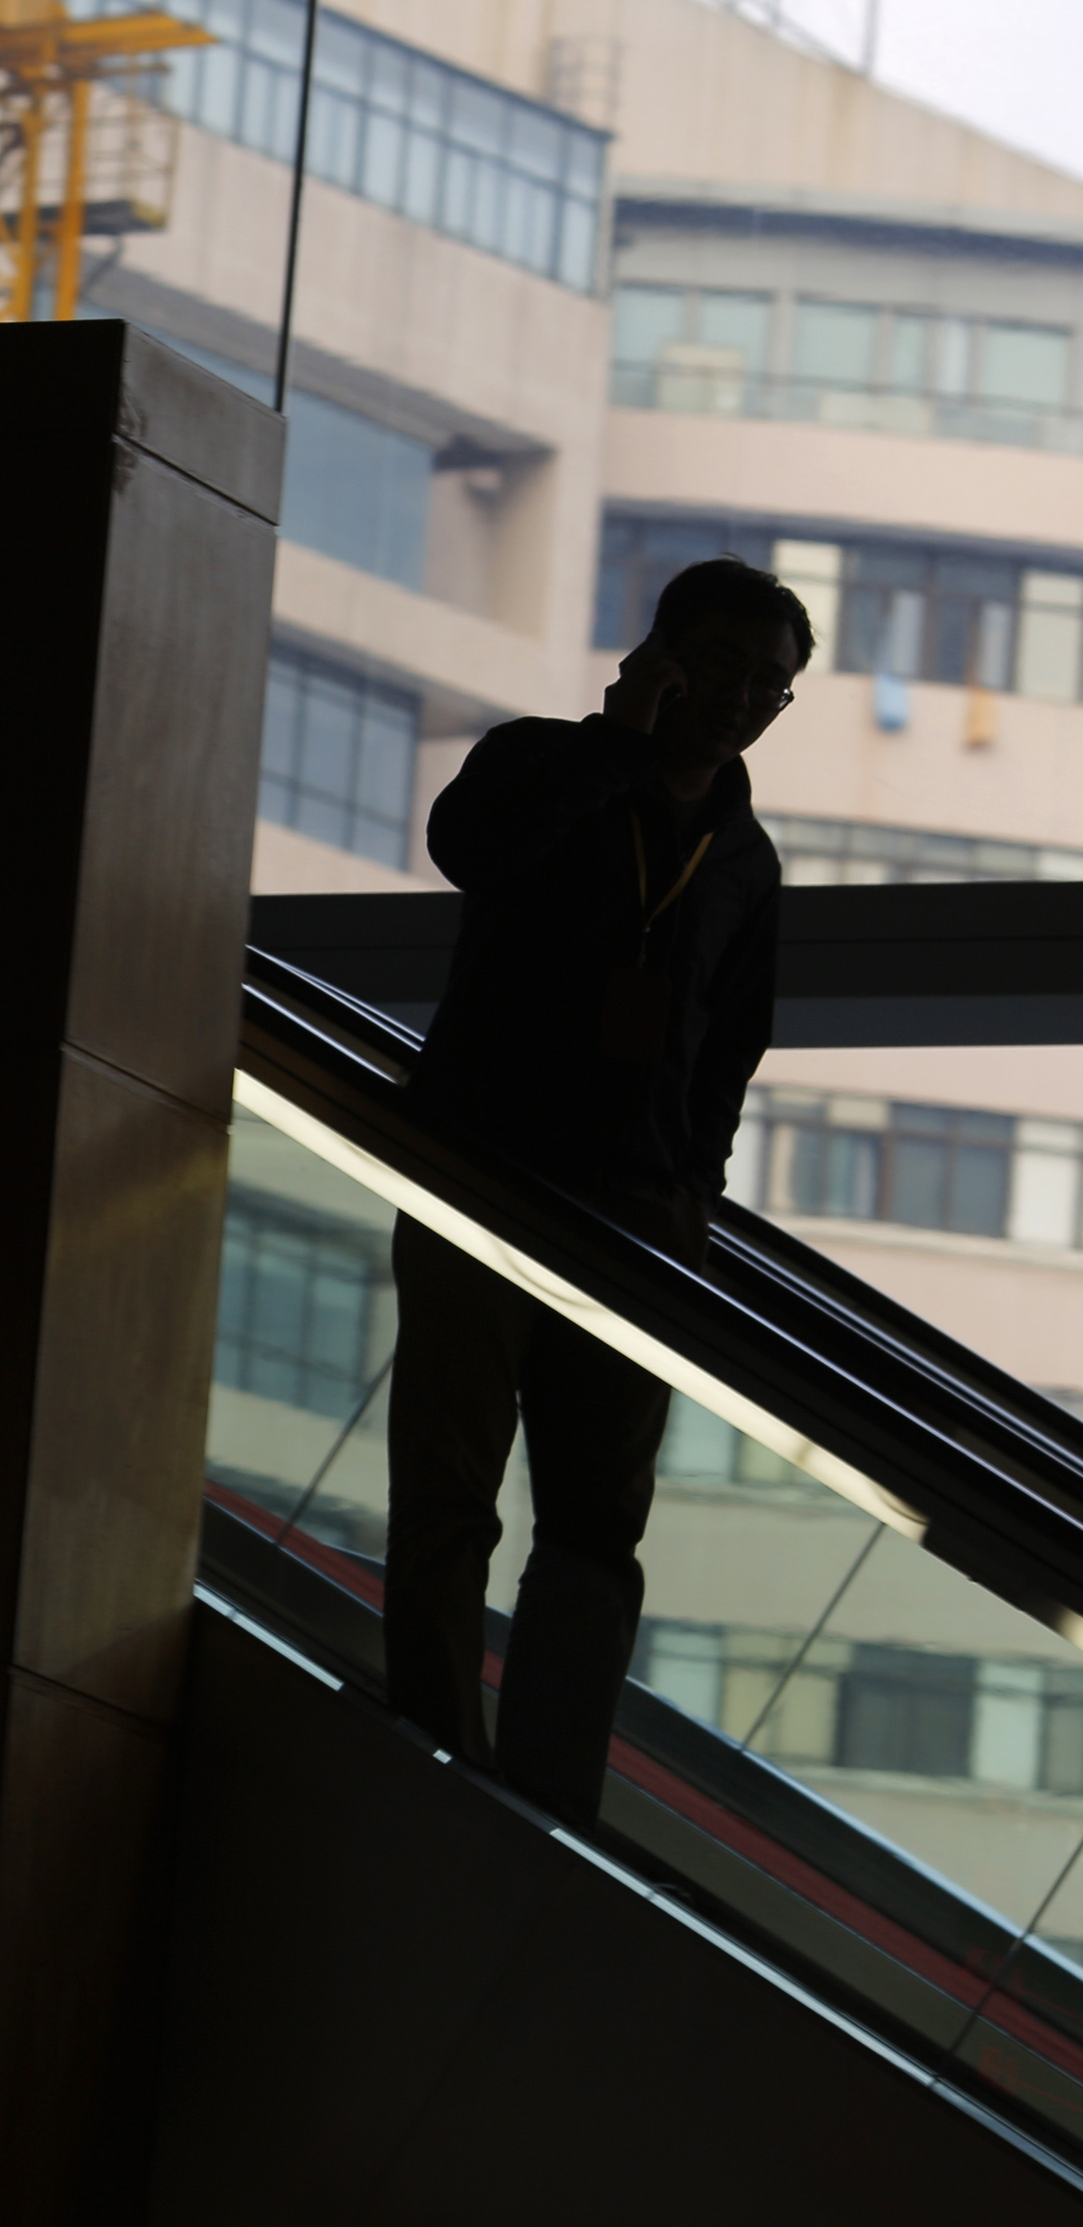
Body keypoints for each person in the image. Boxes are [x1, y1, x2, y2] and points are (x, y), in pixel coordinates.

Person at [382, 554, 804, 1825]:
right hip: (482, 1171)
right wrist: (613, 747)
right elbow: (469, 848)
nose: (740, 700)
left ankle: (551, 1801)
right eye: (721, 668)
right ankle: (436, 1747)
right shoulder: (542, 764)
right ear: (660, 655)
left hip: (635, 1219)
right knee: (449, 1488)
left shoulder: (743, 858)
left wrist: (691, 1199)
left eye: (768, 687)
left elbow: (728, 1048)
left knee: (593, 1530)